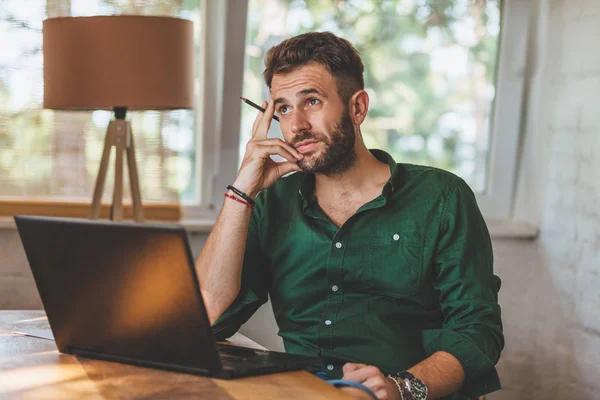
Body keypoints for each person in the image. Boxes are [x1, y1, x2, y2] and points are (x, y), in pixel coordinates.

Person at [196, 31, 503, 400]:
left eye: (311, 101)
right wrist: (242, 190)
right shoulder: (271, 204)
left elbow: (476, 330)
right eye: (283, 108)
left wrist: (398, 389)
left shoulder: (441, 197)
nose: (296, 126)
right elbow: (205, 318)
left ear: (357, 108)